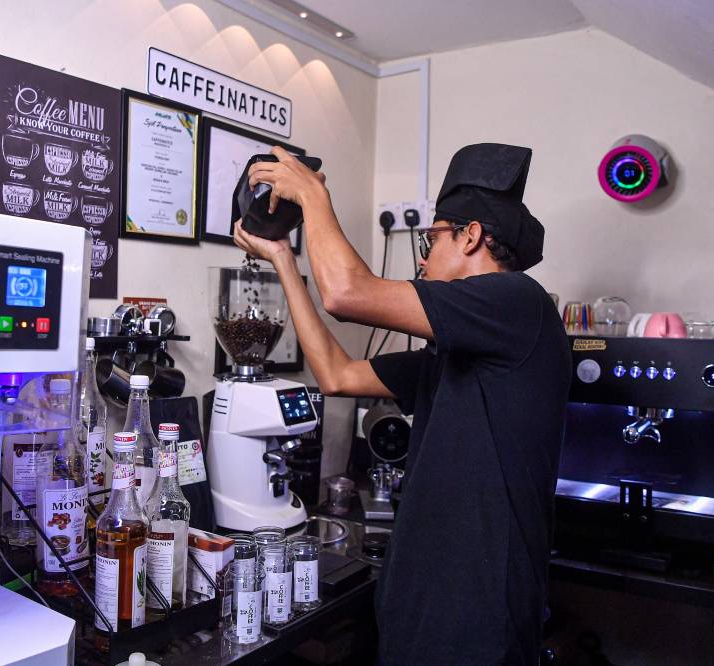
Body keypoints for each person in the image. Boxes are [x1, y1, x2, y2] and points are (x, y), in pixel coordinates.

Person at [234, 143, 571, 665]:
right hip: (423, 598)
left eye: (433, 237)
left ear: (472, 235)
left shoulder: (518, 303)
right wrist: (283, 258)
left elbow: (347, 293)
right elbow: (337, 376)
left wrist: (314, 196)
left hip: (477, 613)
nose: (422, 254)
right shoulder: (460, 351)